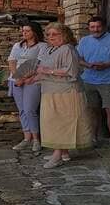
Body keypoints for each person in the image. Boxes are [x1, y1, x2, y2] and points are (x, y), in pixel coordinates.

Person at [35, 22, 92, 168]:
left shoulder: (67, 49)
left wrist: (48, 71)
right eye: (49, 34)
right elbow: (41, 69)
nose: (51, 37)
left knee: (61, 122)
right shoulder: (50, 49)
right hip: (50, 90)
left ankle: (57, 155)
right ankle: (64, 152)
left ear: (64, 35)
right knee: (53, 122)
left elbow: (70, 71)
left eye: (55, 34)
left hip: (65, 92)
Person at [77, 16, 110, 151]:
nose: (96, 29)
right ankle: (93, 138)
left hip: (109, 80)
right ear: (88, 28)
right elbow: (78, 58)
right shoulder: (84, 40)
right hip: (88, 79)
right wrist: (88, 65)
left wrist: (107, 65)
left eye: (98, 26)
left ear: (104, 27)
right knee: (92, 110)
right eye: (92, 27)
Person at [8, 21, 46, 152]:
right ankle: (26, 138)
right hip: (16, 80)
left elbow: (38, 65)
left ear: (35, 32)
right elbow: (12, 61)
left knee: (30, 109)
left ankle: (36, 139)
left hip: (32, 81)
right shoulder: (17, 45)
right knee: (22, 110)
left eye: (27, 31)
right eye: (23, 30)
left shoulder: (42, 46)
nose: (24, 33)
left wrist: (23, 78)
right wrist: (17, 77)